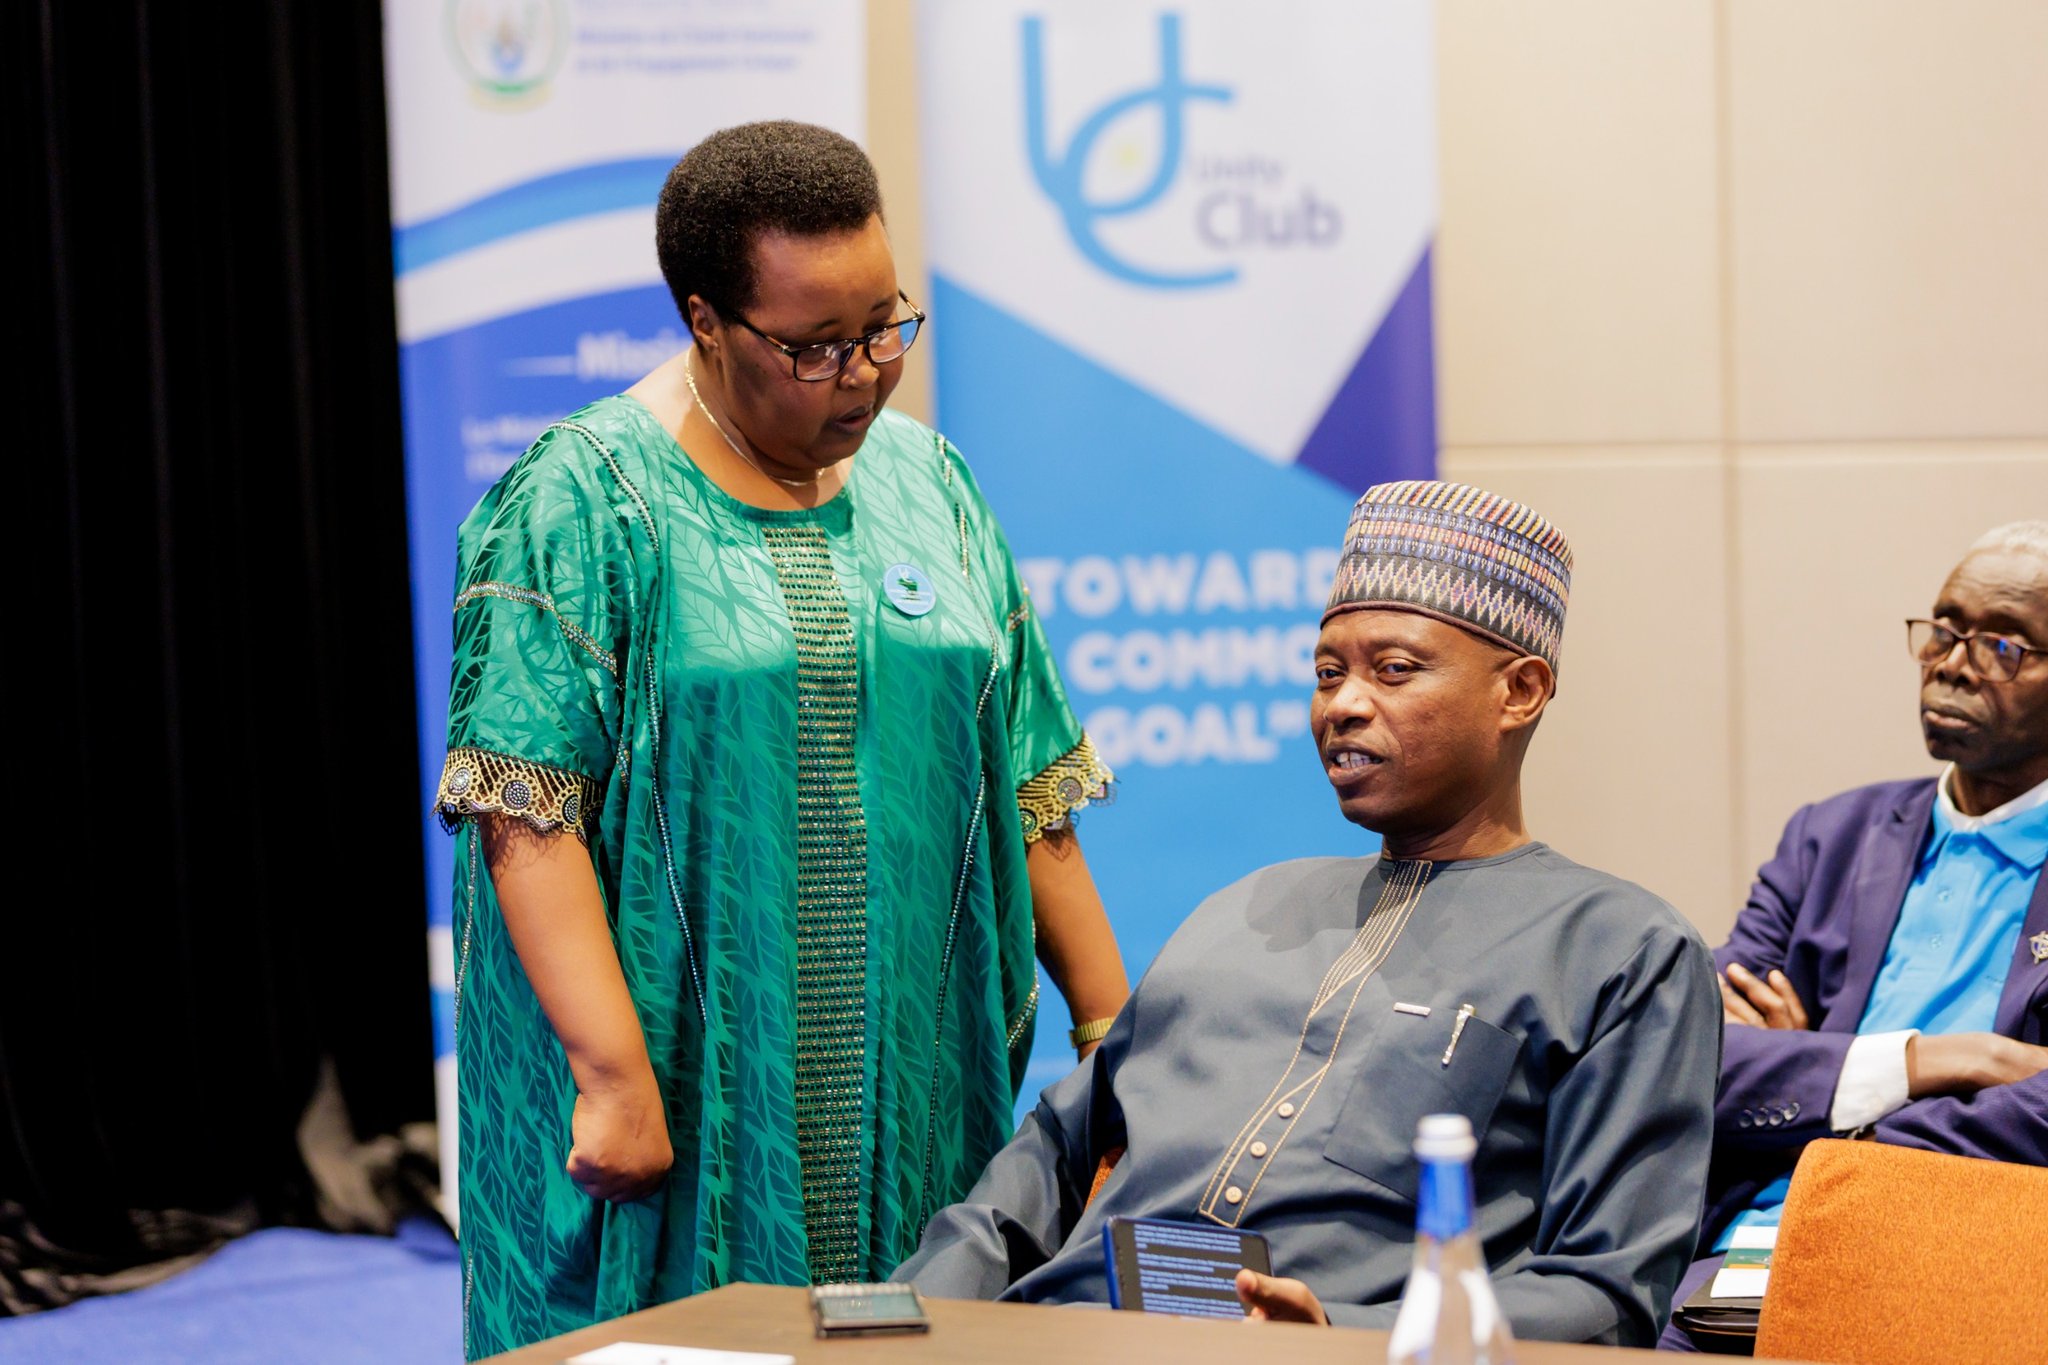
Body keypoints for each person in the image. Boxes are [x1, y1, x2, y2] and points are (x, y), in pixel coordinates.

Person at [435, 121, 1130, 1358]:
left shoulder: (933, 485)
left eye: (884, 326)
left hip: (911, 1067)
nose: (861, 374)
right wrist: (610, 1076)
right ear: (705, 321)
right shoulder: (584, 499)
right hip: (683, 1079)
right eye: (813, 346)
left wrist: (1114, 1046)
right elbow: (523, 812)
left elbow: (1027, 785)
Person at [892, 481, 1722, 1346]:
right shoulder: (1246, 907)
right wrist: (905, 1312)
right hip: (1069, 1337)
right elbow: (1051, 1155)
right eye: (1328, 673)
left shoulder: (1621, 950)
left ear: (1520, 690)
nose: (1343, 704)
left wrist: (1341, 1329)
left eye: (1393, 670)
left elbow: (1606, 1290)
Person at [1663, 520, 2048, 1350]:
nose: (1952, 663)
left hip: (1968, 1269)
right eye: (1944, 629)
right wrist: (1939, 1062)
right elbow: (1689, 1054)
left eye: (2004, 646)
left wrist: (1826, 1102)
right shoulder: (1830, 838)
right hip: (1744, 1259)